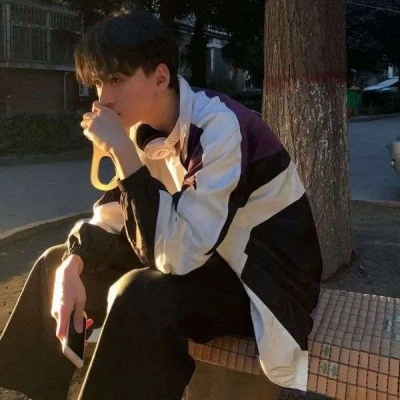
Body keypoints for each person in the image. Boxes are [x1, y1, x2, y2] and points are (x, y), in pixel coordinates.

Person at [0, 7, 322, 400]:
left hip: (259, 276)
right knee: (56, 264)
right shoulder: (141, 129)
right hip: (200, 250)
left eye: (116, 80)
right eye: (98, 83)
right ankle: (36, 390)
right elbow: (117, 215)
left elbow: (179, 256)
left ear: (160, 77)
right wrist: (73, 263)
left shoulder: (220, 129)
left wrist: (123, 154)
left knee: (141, 294)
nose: (104, 99)